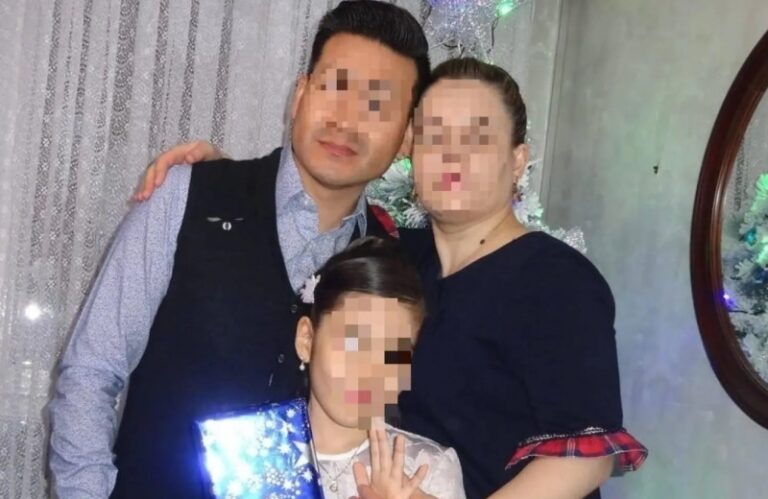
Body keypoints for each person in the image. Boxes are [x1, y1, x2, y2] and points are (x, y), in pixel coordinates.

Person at [144, 58, 648, 499]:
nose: (451, 155)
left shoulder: (556, 280)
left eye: (476, 137)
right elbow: (310, 233)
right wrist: (226, 182)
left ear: (517, 160)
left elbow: (585, 459)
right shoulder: (398, 255)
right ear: (413, 152)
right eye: (434, 135)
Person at [47, 2, 431, 498]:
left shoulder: (392, 268)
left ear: (406, 138)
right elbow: (91, 372)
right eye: (335, 86)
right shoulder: (188, 197)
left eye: (377, 105)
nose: (347, 120)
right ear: (299, 95)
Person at [293, 236, 465, 498]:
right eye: (355, 343)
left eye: (395, 353)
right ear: (306, 340)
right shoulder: (248, 456)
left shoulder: (428, 469)